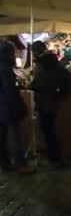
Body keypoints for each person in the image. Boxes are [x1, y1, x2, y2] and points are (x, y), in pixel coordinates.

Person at [31, 41, 71, 169]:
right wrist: (61, 96)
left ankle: (55, 159)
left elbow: (41, 83)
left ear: (36, 51)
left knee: (48, 131)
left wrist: (33, 85)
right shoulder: (52, 62)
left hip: (46, 102)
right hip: (50, 101)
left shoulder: (44, 64)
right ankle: (54, 159)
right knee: (49, 131)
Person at [0, 40, 36, 174]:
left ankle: (4, 163)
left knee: (2, 137)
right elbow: (10, 91)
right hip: (7, 107)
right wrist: (20, 106)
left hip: (2, 107)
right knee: (15, 136)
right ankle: (20, 164)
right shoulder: (5, 69)